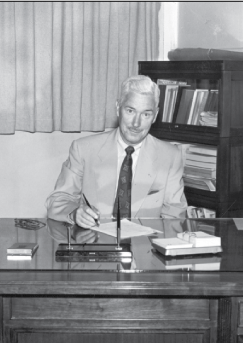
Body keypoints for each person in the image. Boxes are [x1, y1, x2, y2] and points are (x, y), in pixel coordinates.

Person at [45, 75, 187, 228]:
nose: (136, 123)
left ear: (155, 116)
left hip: (145, 246)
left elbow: (174, 217)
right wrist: (74, 213)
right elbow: (57, 201)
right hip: (94, 243)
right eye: (130, 111)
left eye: (146, 114)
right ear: (118, 107)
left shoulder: (171, 156)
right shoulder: (83, 149)